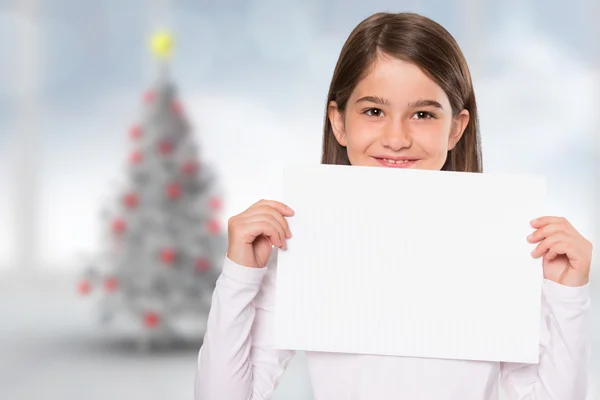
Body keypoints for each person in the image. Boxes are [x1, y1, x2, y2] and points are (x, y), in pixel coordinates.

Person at [194, 12, 592, 399]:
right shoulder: (303, 244)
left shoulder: (499, 245)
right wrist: (240, 276)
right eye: (373, 111)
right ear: (339, 122)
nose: (397, 138)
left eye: (422, 114)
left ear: (456, 127)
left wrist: (568, 297)